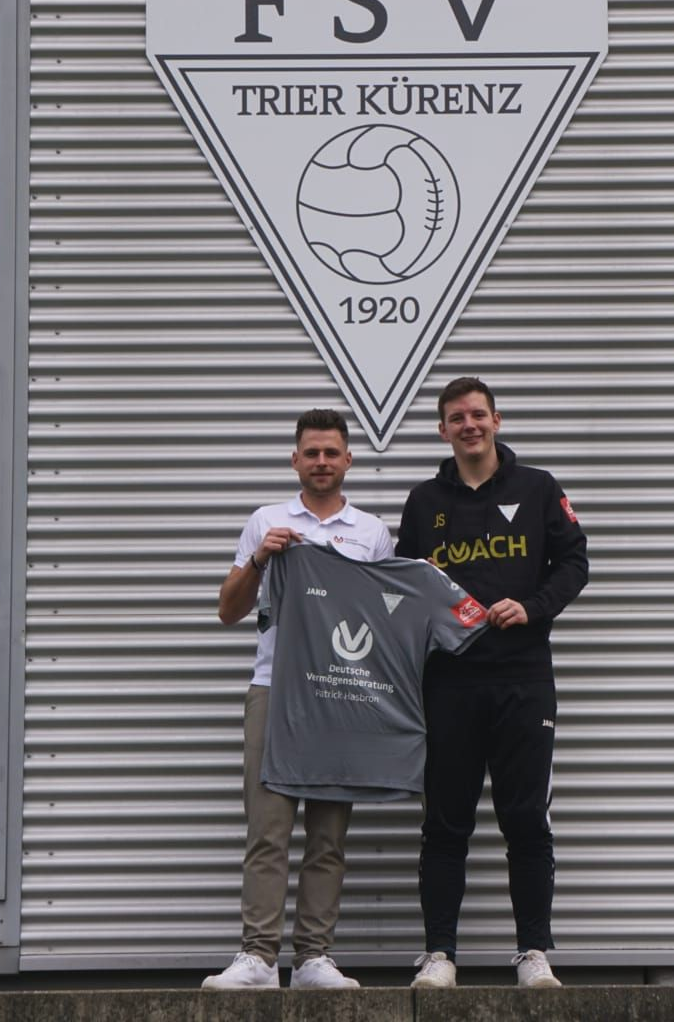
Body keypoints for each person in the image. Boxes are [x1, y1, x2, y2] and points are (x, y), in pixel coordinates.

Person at [395, 376, 589, 990]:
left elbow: (575, 563)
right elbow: (405, 585)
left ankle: (533, 952)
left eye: (478, 415)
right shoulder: (424, 501)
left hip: (523, 681)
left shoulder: (538, 488)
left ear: (496, 421)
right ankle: (439, 955)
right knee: (445, 824)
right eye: (457, 418)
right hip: (449, 684)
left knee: (526, 819)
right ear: (442, 430)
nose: (469, 426)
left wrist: (532, 607)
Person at [206, 409, 394, 990]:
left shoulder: (372, 533)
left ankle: (314, 957)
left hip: (341, 694)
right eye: (311, 452)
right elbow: (228, 610)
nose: (321, 462)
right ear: (294, 459)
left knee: (329, 834)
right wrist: (260, 558)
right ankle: (259, 958)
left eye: (331, 452)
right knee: (268, 829)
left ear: (348, 460)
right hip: (274, 689)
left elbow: (387, 619)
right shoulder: (266, 521)